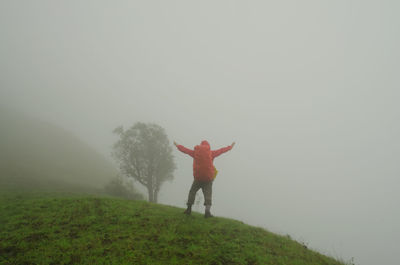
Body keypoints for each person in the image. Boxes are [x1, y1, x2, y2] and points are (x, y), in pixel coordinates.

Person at [174, 140, 235, 218]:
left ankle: (189, 209)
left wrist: (177, 145)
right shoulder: (211, 153)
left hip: (198, 178)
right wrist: (230, 147)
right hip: (208, 178)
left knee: (192, 192)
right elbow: (221, 151)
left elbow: (185, 150)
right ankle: (207, 212)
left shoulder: (195, 153)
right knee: (208, 194)